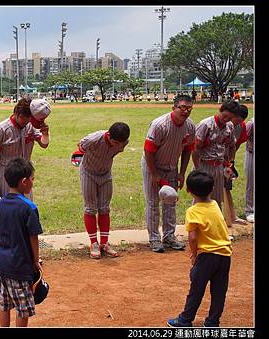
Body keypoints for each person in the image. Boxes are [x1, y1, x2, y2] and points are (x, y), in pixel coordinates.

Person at [167, 170, 232, 328]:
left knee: (196, 288)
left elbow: (193, 237)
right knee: (219, 292)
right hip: (225, 255)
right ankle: (212, 322)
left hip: (207, 256)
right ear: (212, 189)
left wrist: (194, 255)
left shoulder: (192, 211)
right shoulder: (215, 204)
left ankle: (185, 319)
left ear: (188, 191)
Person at [142, 94, 196, 253]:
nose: (186, 111)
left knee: (170, 201)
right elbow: (148, 151)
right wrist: (155, 175)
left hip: (172, 167)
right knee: (153, 203)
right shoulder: (160, 125)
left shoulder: (190, 127)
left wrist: (181, 173)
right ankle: (154, 239)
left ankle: (169, 236)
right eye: (183, 108)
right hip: (152, 165)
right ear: (174, 108)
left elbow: (188, 150)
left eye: (189, 109)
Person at [0, 157, 43, 327]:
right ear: (24, 181)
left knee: (5, 303)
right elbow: (33, 237)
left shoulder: (0, 204)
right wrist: (35, 261)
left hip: (2, 263)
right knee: (22, 308)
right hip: (20, 266)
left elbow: (0, 233)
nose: (32, 182)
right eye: (32, 179)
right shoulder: (29, 207)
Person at [77, 122, 130, 259]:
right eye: (118, 144)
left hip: (106, 174)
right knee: (90, 208)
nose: (121, 148)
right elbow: (80, 147)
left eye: (123, 143)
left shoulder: (123, 141)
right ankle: (94, 243)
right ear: (110, 138)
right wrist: (77, 159)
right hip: (88, 172)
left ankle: (104, 243)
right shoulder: (94, 139)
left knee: (104, 208)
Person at [0, 98, 50, 201]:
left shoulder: (30, 125)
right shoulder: (2, 129)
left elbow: (44, 144)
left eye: (28, 120)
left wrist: (45, 134)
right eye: (23, 119)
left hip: (26, 173)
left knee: (27, 207)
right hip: (7, 175)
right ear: (16, 112)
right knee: (8, 209)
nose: (25, 123)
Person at [192, 100, 239, 211]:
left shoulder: (230, 126)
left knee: (217, 199)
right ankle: (197, 225)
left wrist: (230, 164)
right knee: (200, 198)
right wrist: (198, 169)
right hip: (204, 165)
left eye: (230, 118)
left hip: (219, 166)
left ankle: (215, 224)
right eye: (225, 116)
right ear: (220, 110)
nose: (226, 119)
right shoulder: (206, 125)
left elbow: (232, 146)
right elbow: (195, 148)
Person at [244, 117, 254, 223]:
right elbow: (243, 137)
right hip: (252, 154)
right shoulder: (252, 123)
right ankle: (249, 210)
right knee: (251, 183)